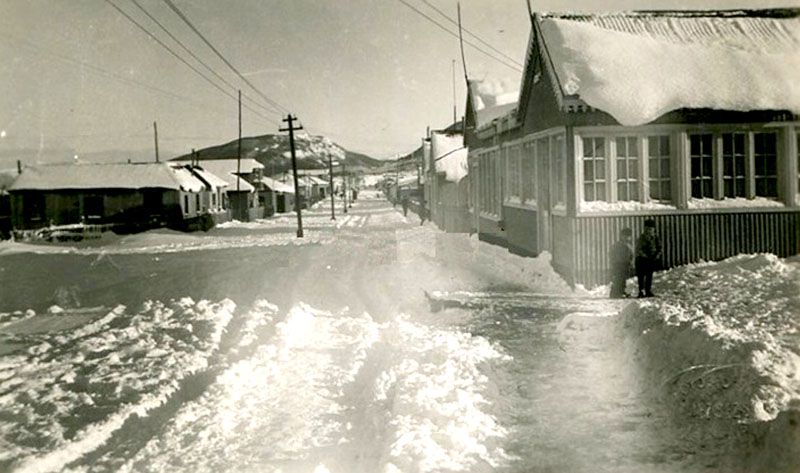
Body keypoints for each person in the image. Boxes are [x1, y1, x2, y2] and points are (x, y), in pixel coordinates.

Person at [636, 219, 662, 298]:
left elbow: (659, 248)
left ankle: (648, 290)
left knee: (649, 276)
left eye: (651, 229)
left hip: (651, 260)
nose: (649, 231)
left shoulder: (656, 238)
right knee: (641, 276)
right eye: (647, 229)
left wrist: (657, 255)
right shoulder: (641, 238)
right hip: (642, 260)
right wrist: (644, 256)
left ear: (653, 229)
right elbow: (638, 249)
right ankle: (641, 291)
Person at [609, 227, 633, 298]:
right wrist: (613, 262)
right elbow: (612, 254)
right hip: (618, 264)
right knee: (618, 279)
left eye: (628, 236)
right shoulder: (617, 245)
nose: (627, 238)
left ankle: (621, 291)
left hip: (626, 264)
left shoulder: (628, 245)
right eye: (625, 236)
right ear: (621, 236)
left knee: (623, 279)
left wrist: (630, 262)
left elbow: (631, 254)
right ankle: (614, 293)